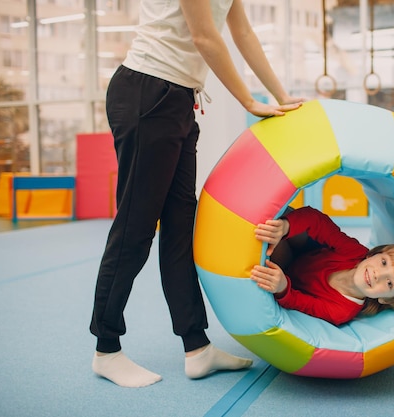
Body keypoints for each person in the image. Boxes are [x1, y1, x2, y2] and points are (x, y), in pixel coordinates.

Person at [89, 0, 304, 388]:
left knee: (180, 229)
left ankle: (197, 347)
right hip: (147, 92)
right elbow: (204, 36)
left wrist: (283, 96)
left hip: (179, 100)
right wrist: (249, 102)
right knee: (136, 230)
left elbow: (243, 33)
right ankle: (106, 349)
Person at [250, 206, 394, 326]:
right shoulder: (357, 253)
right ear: (374, 254)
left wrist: (283, 288)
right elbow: (318, 222)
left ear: (386, 299)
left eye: (389, 284)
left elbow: (301, 303)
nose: (377, 274)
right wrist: (285, 227)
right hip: (306, 251)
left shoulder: (341, 311)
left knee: (268, 254)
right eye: (384, 263)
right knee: (281, 221)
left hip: (290, 278)